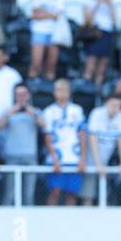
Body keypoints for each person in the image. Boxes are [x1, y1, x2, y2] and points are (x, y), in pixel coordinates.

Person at [0, 84, 46, 206]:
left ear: (28, 95)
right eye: (18, 94)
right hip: (12, 156)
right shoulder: (8, 111)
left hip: (30, 156)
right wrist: (9, 113)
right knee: (10, 193)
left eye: (24, 94)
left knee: (28, 194)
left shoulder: (36, 112)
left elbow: (44, 126)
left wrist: (33, 113)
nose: (21, 97)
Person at [43, 78, 87, 206]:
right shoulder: (49, 112)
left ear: (70, 92)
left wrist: (83, 158)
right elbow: (47, 136)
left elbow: (82, 134)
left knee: (72, 193)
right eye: (59, 90)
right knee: (55, 191)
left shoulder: (77, 110)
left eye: (65, 90)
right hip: (57, 158)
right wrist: (54, 158)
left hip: (74, 158)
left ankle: (70, 222)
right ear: (54, 92)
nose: (62, 93)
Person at [81, 0, 118, 94]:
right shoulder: (89, 2)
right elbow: (88, 21)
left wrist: (109, 4)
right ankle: (86, 90)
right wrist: (98, 2)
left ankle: (97, 90)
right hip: (94, 34)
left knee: (102, 66)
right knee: (91, 64)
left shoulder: (111, 3)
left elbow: (114, 21)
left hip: (107, 33)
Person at [29, 0, 65, 83]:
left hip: (54, 32)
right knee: (36, 63)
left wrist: (43, 11)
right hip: (39, 30)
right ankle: (32, 85)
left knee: (51, 64)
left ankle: (48, 88)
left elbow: (58, 15)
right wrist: (51, 14)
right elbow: (35, 14)